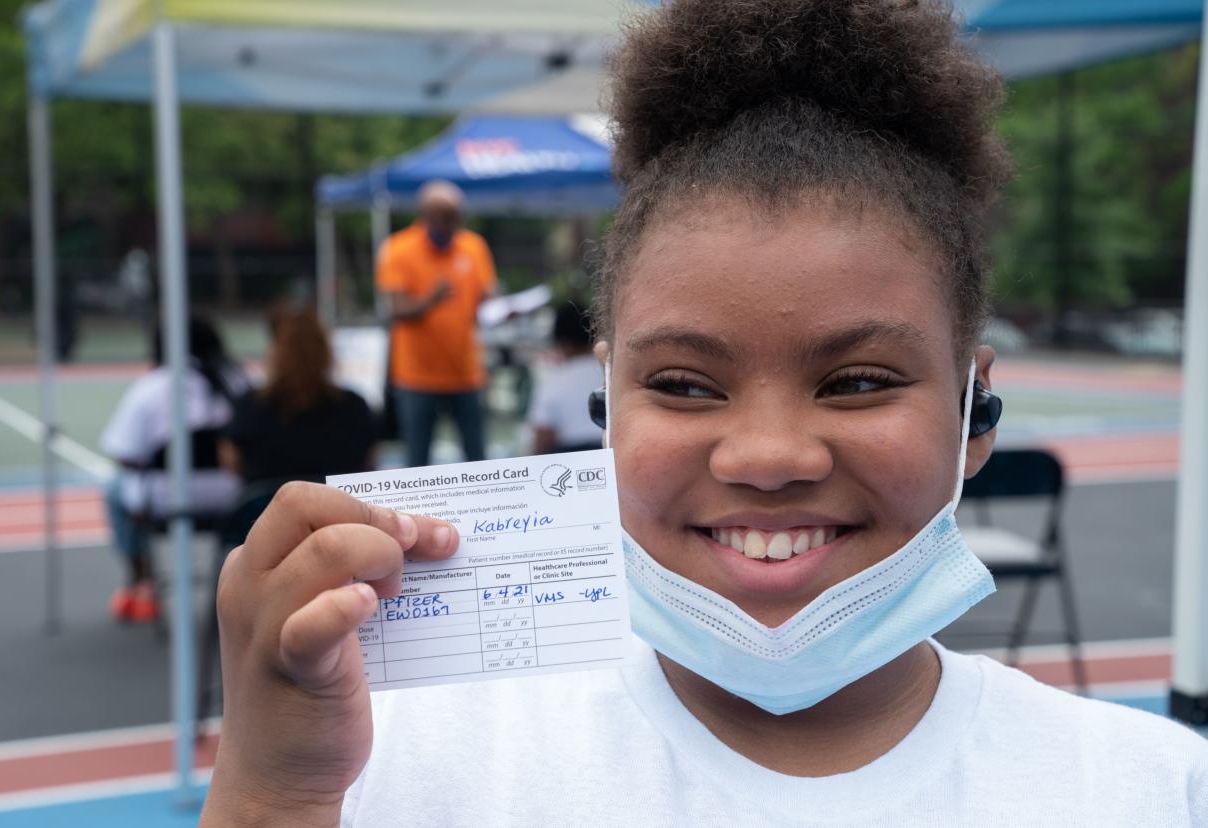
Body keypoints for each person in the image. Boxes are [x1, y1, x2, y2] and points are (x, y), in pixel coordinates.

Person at [202, 1, 1208, 824]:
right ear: (607, 407)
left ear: (974, 409)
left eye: (857, 381)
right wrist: (267, 791)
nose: (768, 456)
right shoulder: (385, 758)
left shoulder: (1150, 793)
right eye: (683, 385)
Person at [100, 314, 247, 622]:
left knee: (114, 489)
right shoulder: (238, 382)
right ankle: (248, 581)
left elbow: (123, 452)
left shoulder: (151, 387)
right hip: (235, 497)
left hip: (167, 497)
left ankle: (141, 581)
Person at [376, 179, 497, 467]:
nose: (448, 224)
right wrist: (430, 300)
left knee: (477, 458)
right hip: (417, 375)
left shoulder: (473, 246)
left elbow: (487, 299)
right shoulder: (398, 248)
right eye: (441, 216)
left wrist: (504, 309)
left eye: (453, 217)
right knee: (417, 460)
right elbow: (394, 309)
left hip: (465, 371)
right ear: (425, 215)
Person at [221, 304, 377, 486]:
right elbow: (370, 462)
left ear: (275, 350)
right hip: (336, 511)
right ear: (325, 351)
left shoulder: (250, 404)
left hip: (265, 510)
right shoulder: (354, 405)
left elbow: (230, 460)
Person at [528, 302, 604, 453]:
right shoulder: (610, 372)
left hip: (570, 459)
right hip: (611, 454)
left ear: (563, 343)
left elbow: (543, 435)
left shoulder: (554, 380)